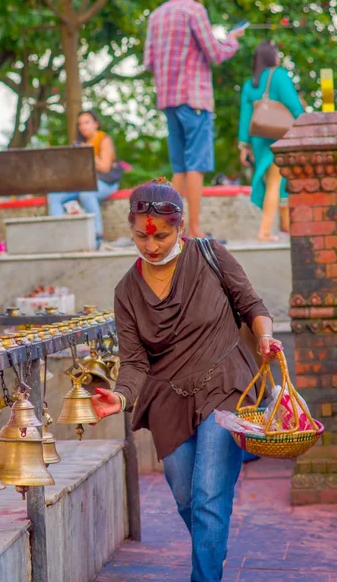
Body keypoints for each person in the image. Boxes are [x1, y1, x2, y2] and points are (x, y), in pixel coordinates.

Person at [91, 178, 283, 582]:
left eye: (161, 235)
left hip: (225, 385)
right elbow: (134, 362)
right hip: (167, 400)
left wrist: (265, 337)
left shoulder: (210, 255)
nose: (152, 245)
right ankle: (211, 546)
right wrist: (121, 399)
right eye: (142, 236)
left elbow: (251, 304)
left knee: (209, 496)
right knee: (187, 500)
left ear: (180, 227)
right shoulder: (126, 290)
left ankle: (205, 573)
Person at [144, 0, 245, 238]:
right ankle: (196, 230)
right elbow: (215, 53)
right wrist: (231, 41)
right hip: (194, 96)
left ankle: (173, 229)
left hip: (168, 98)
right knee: (196, 166)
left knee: (179, 167)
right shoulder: (194, 11)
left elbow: (148, 62)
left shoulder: (156, 15)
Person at [238, 40, 304, 242]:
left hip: (259, 140)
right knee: (276, 181)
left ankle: (286, 227)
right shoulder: (279, 76)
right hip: (278, 137)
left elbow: (245, 117)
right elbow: (294, 105)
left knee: (274, 181)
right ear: (272, 56)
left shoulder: (251, 84)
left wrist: (244, 146)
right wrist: (305, 125)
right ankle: (265, 231)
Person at [47, 110, 118, 247]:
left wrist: (87, 152)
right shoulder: (78, 143)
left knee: (87, 194)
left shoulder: (104, 139)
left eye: (87, 122)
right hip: (83, 182)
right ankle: (60, 236)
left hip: (105, 182)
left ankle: (97, 236)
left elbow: (104, 167)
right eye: (80, 124)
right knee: (54, 195)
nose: (83, 127)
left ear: (96, 124)